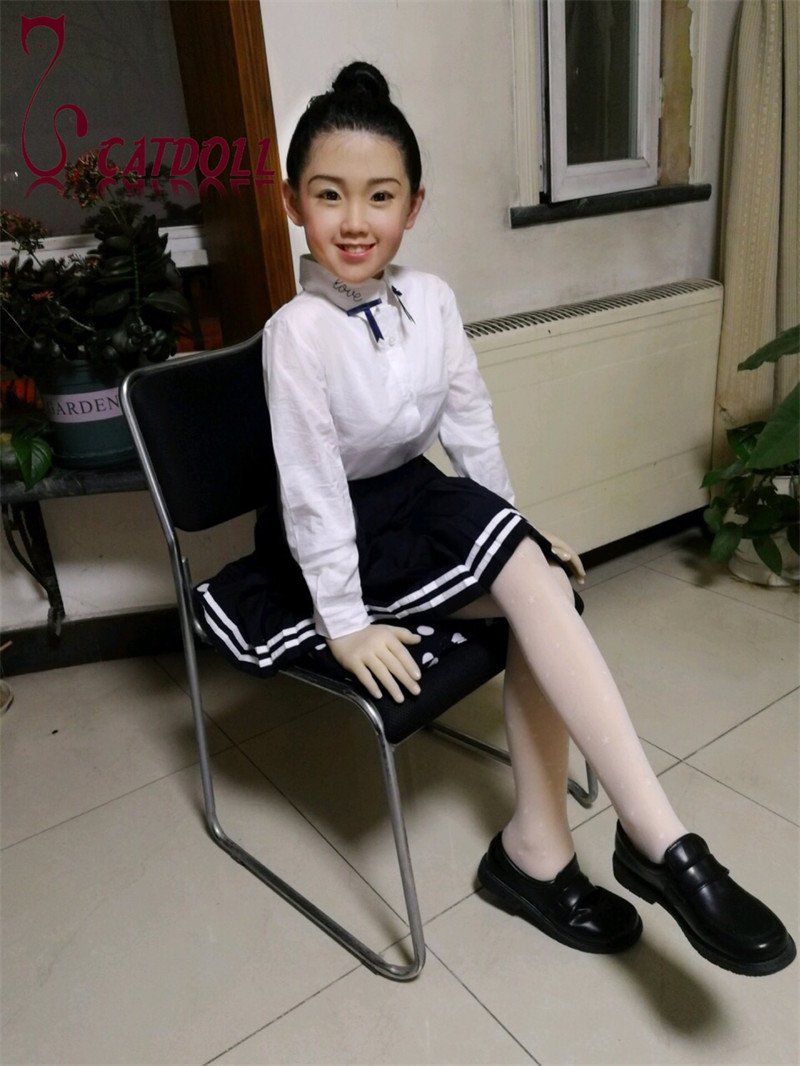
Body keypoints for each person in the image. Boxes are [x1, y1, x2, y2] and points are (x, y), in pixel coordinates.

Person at [197, 61, 795, 977]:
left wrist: (518, 527)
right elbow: (311, 487)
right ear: (291, 202)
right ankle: (650, 845)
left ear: (413, 206)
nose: (354, 221)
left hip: (417, 504)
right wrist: (345, 622)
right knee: (536, 595)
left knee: (539, 584)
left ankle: (551, 848)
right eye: (329, 194)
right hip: (335, 540)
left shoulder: (431, 300)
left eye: (379, 196)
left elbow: (471, 428)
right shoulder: (297, 334)